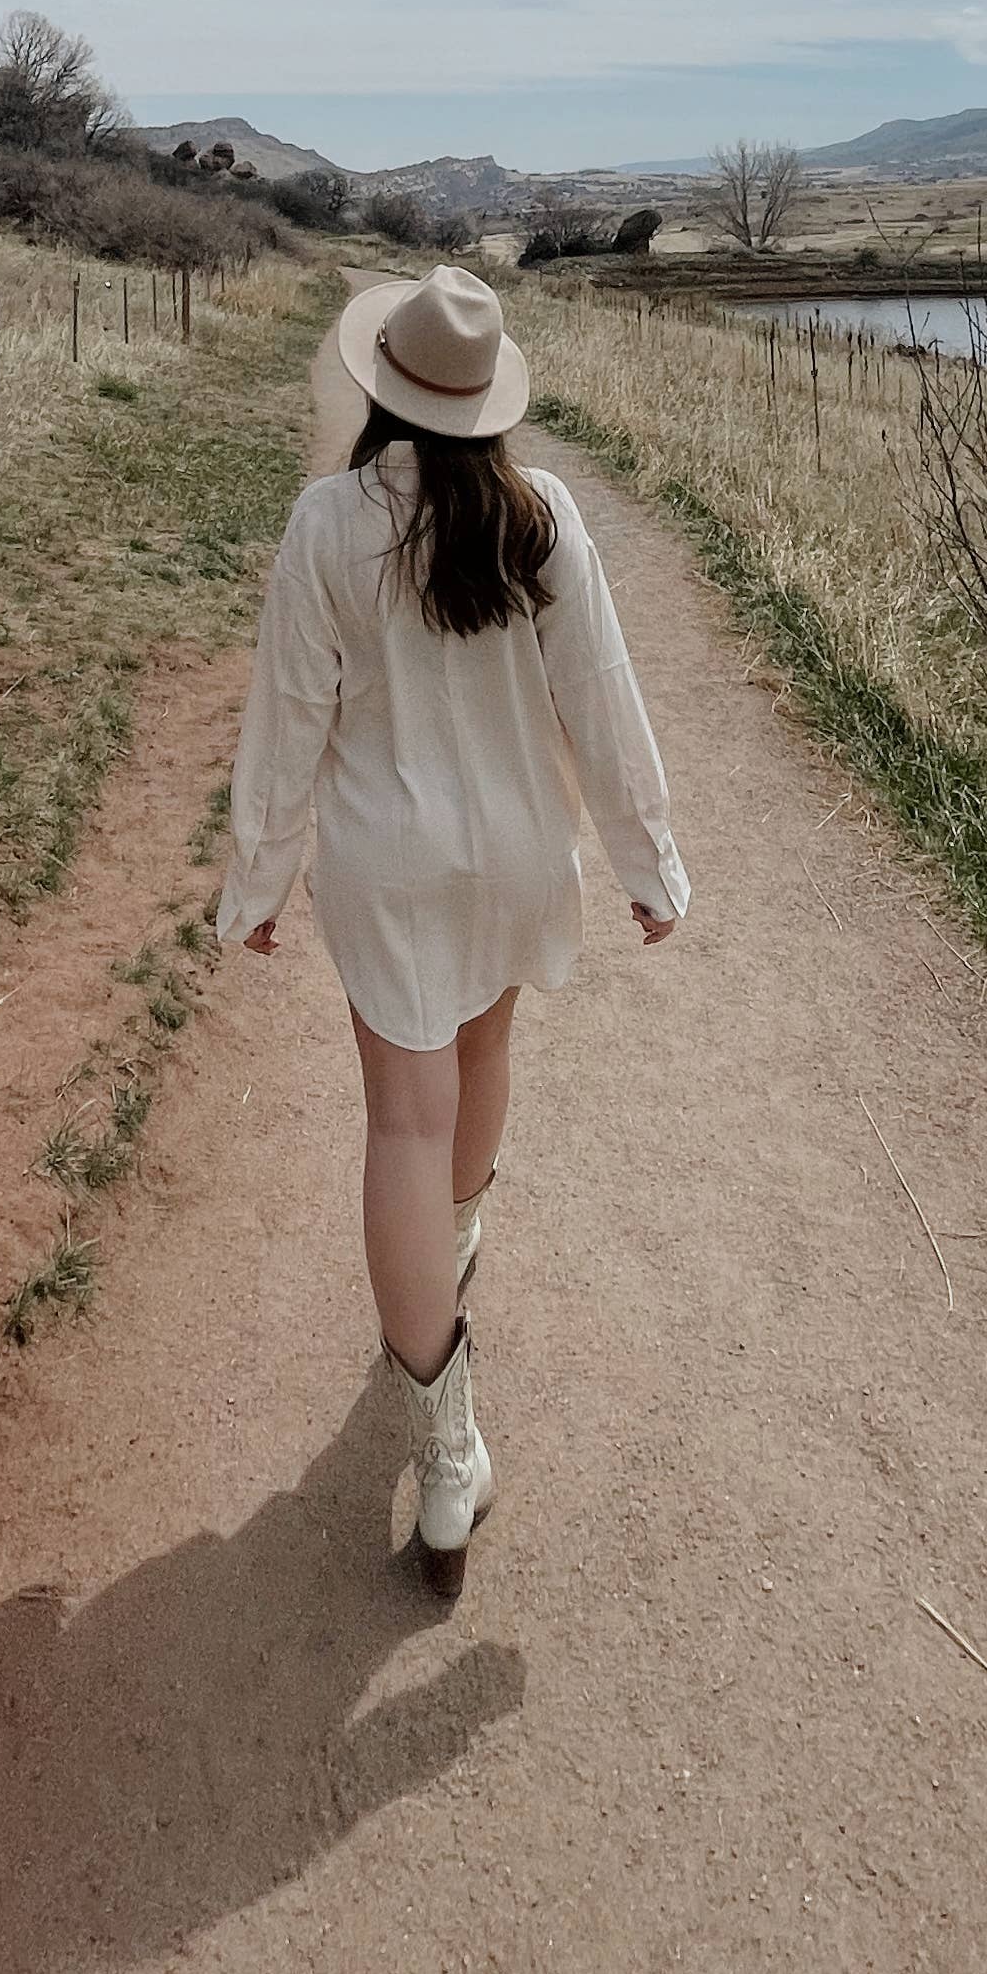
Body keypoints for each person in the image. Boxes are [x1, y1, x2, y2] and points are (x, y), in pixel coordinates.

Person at [217, 262, 687, 1597]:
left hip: (391, 866)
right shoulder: (542, 519)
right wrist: (653, 863)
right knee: (482, 1064)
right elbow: (602, 695)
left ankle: (447, 1454)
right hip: (517, 856)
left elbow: (287, 717)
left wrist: (256, 884)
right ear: (490, 406)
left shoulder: (329, 524)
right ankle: (455, 1259)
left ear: (381, 392)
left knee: (401, 1125)